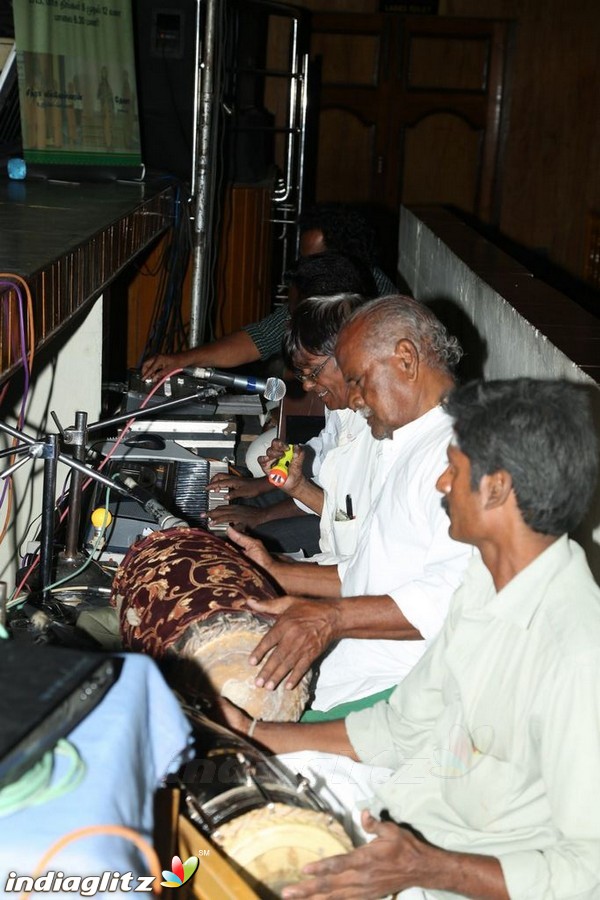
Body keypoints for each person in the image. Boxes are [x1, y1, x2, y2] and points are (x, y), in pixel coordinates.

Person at [217, 377, 600, 900]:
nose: (442, 484)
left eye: (455, 468)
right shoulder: (484, 584)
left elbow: (587, 874)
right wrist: (255, 732)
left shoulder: (578, 655)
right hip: (407, 822)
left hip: (451, 876)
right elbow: (402, 730)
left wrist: (426, 869)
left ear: (497, 488)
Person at [226, 296, 472, 717]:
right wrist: (276, 570)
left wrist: (330, 619)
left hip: (396, 691)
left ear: (406, 360)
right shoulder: (404, 440)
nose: (354, 399)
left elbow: (452, 599)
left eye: (358, 379)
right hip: (352, 669)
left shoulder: (459, 454)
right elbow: (370, 570)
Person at [207, 293, 374, 559]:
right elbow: (322, 454)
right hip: (328, 516)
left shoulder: (379, 428)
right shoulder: (342, 409)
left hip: (348, 545)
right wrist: (278, 471)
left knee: (240, 548)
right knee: (236, 505)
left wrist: (265, 514)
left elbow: (348, 520)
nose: (307, 386)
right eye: (302, 375)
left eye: (314, 373)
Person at [141, 203, 388, 381]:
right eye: (302, 259)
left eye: (313, 260)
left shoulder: (376, 300)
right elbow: (257, 340)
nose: (304, 268)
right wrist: (181, 360)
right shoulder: (319, 296)